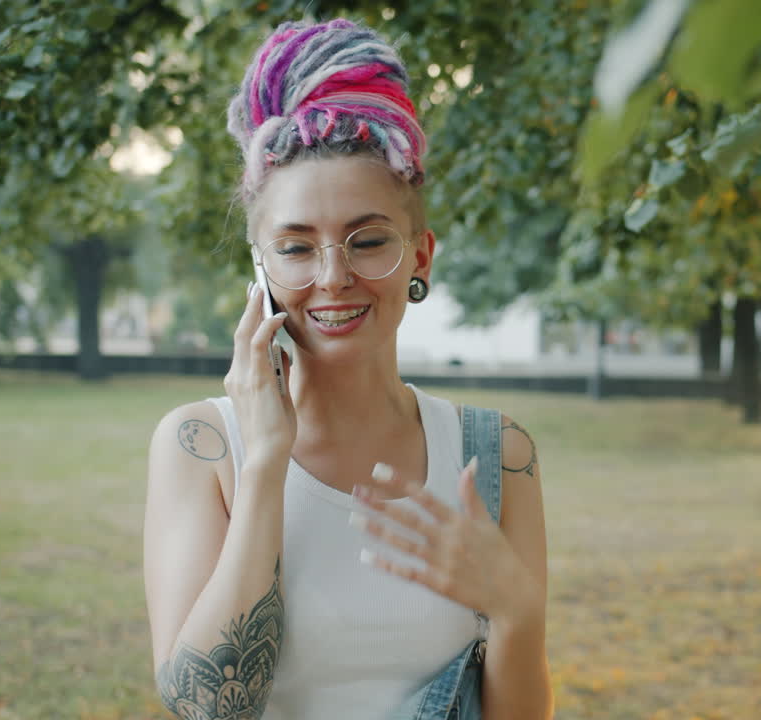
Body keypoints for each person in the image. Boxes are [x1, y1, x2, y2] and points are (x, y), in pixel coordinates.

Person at [142, 18, 552, 720]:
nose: (334, 277)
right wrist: (267, 464)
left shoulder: (497, 455)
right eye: (296, 248)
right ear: (261, 265)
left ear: (420, 256)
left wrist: (515, 611)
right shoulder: (202, 447)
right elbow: (205, 708)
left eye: (367, 241)